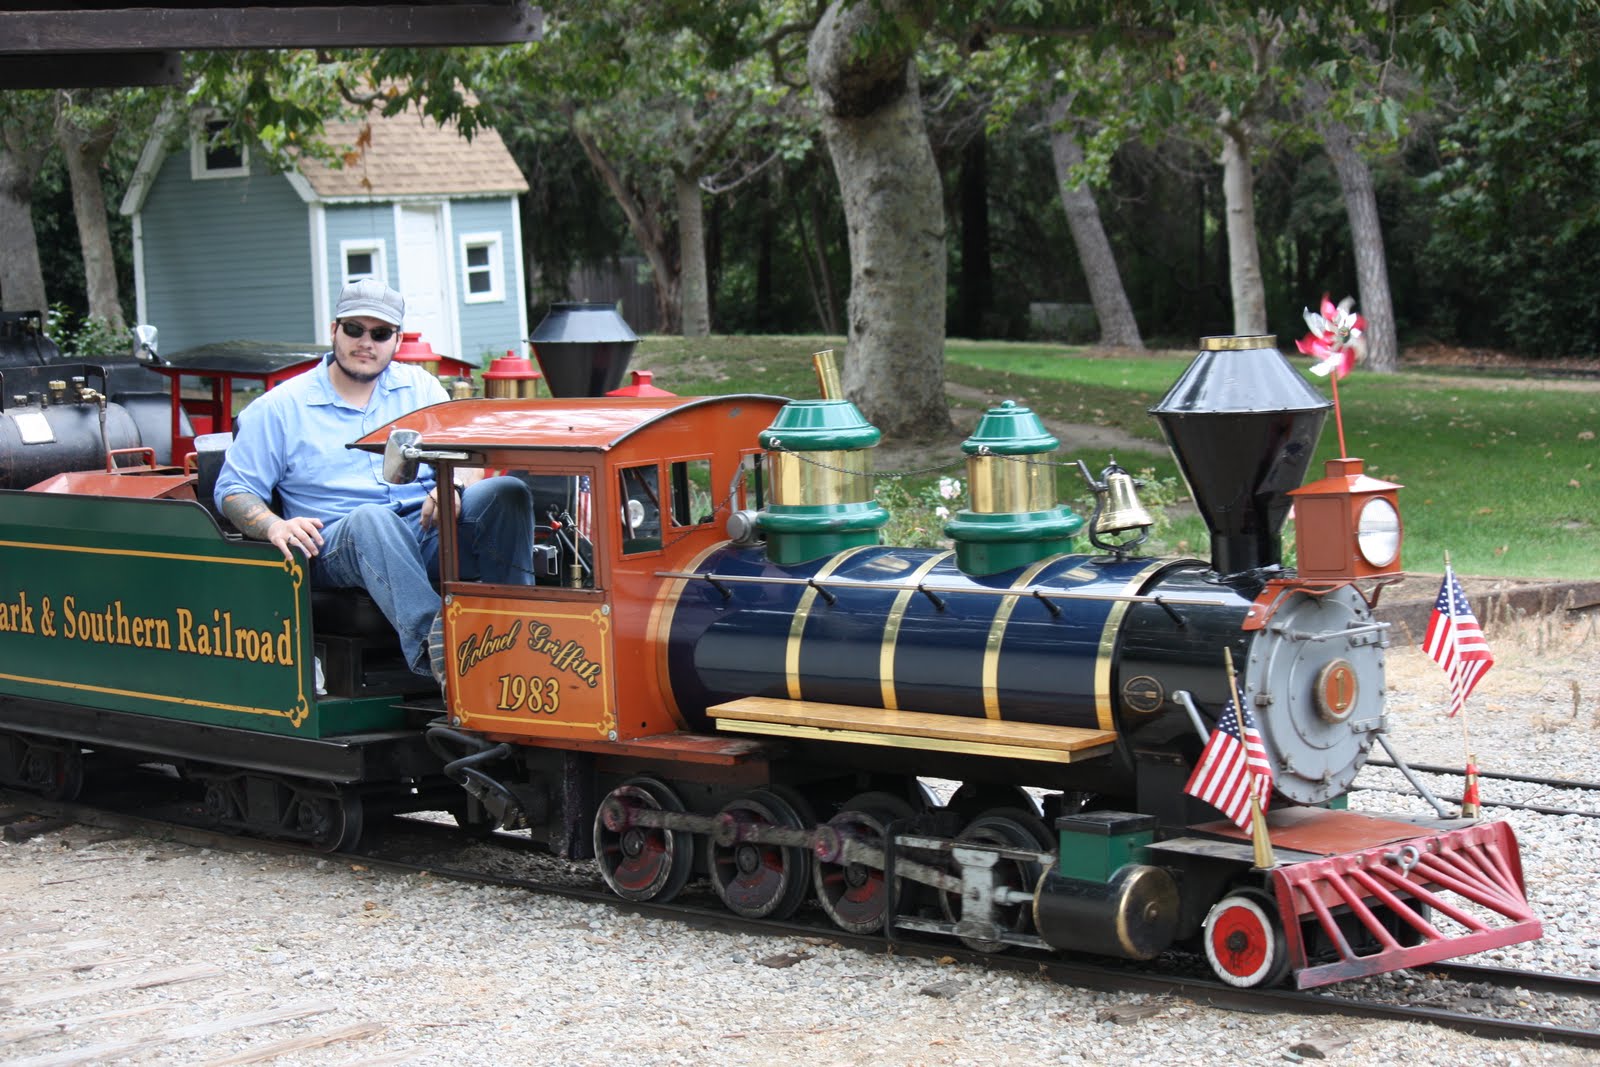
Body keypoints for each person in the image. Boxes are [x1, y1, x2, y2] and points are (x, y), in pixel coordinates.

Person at [214, 278, 533, 684]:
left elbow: (468, 455)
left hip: (425, 530)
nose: (366, 342)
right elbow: (233, 490)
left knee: (507, 492)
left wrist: (452, 486)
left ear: (395, 340)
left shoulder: (421, 388)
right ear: (334, 330)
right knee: (372, 519)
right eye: (354, 329)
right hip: (336, 545)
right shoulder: (279, 407)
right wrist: (276, 524)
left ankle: (521, 633)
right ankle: (444, 654)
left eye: (380, 333)